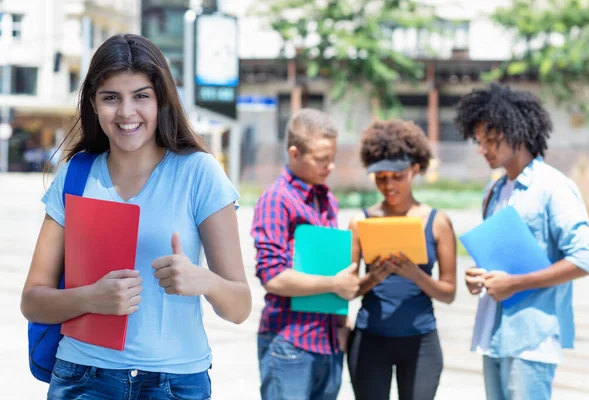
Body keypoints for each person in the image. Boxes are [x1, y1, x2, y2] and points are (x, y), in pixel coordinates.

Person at [20, 34, 251, 399]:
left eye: (141, 96)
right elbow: (32, 300)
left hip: (174, 383)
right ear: (94, 104)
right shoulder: (76, 174)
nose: (126, 112)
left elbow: (240, 307)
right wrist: (90, 298)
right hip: (83, 378)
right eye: (111, 97)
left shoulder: (199, 172)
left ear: (162, 101)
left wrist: (203, 280)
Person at [454, 83, 589, 400]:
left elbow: (583, 258)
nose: (483, 149)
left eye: (491, 140)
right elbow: (496, 259)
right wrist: (478, 277)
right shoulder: (492, 192)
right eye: (479, 141)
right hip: (492, 333)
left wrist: (515, 283)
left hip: (532, 339)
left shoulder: (553, 187)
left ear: (518, 134)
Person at [251, 108, 360, 400]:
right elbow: (272, 277)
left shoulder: (327, 201)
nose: (331, 166)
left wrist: (340, 323)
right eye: (322, 159)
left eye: (332, 158)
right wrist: (335, 285)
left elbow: (334, 264)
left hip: (328, 343)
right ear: (294, 153)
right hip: (289, 344)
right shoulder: (277, 200)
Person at [346, 119, 457, 400]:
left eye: (397, 177)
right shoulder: (360, 222)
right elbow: (347, 289)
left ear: (415, 169)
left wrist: (415, 275)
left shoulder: (437, 222)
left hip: (421, 343)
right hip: (370, 340)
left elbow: (449, 293)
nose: (389, 185)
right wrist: (375, 277)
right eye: (381, 178)